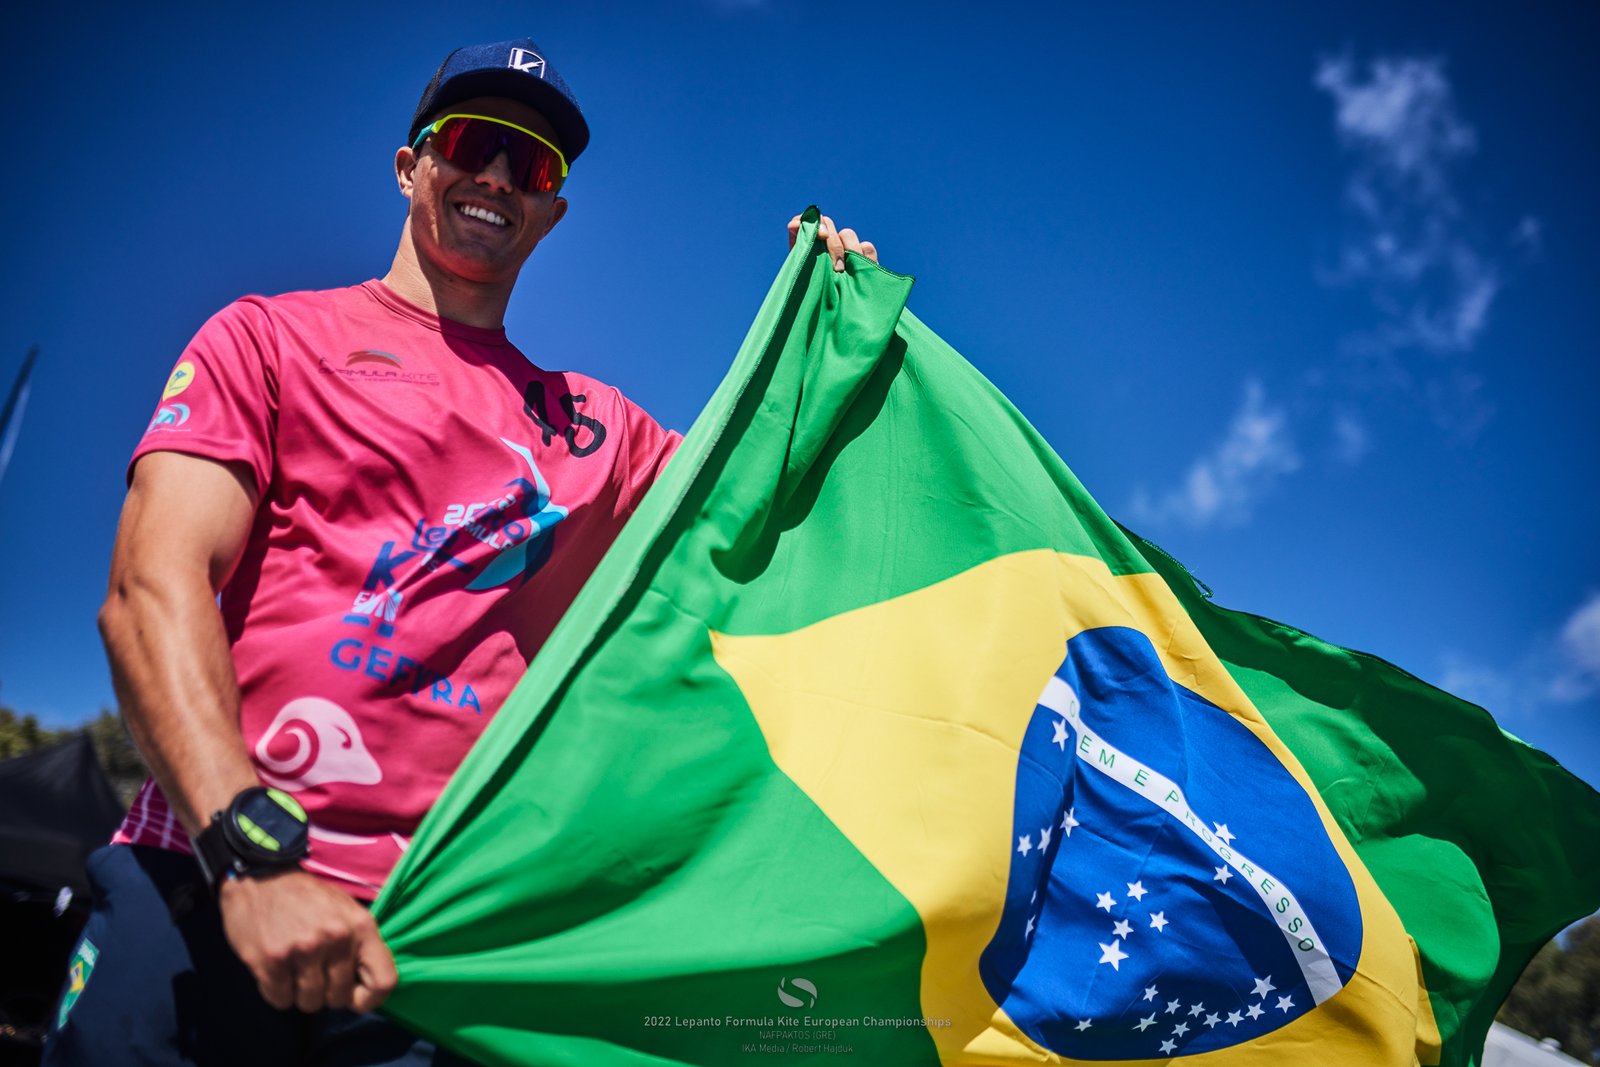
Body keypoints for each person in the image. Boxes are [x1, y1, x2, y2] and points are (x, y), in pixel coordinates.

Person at [46, 37, 880, 1067]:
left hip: (430, 946)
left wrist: (832, 326)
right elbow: (150, 588)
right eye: (472, 143)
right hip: (206, 875)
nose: (494, 177)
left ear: (551, 209)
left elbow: (764, 503)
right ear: (411, 166)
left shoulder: (600, 430)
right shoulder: (265, 339)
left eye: (529, 163)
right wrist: (249, 853)